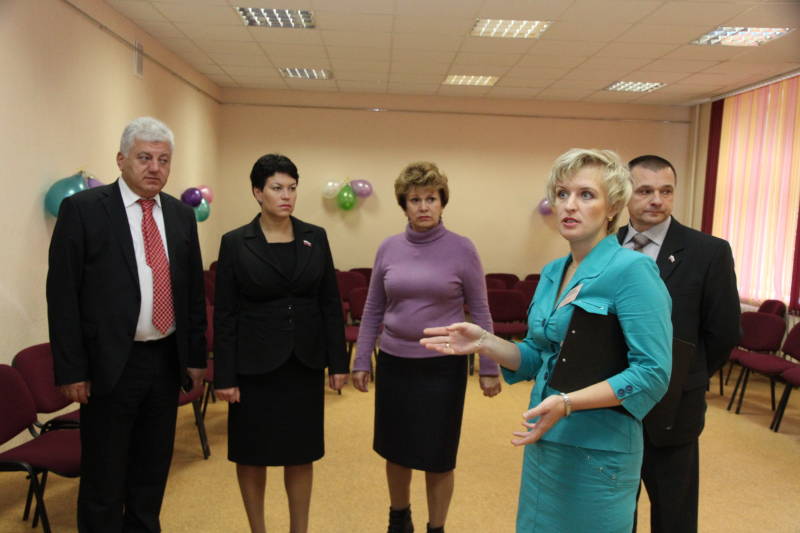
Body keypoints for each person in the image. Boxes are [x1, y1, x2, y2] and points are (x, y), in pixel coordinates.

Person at [421, 148, 673, 532]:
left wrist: (569, 403)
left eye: (586, 195)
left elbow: (652, 373)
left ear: (612, 207)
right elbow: (539, 356)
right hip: (544, 436)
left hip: (598, 449)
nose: (569, 205)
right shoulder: (554, 272)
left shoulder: (633, 270)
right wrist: (484, 342)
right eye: (562, 194)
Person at [46, 117, 207, 533]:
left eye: (163, 160)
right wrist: (71, 370)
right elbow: (62, 296)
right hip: (109, 366)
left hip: (164, 362)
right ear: (121, 160)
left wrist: (193, 357)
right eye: (144, 158)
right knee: (104, 477)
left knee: (151, 473)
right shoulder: (84, 210)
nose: (155, 168)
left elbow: (191, 294)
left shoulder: (180, 216)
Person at [351, 161, 501, 533]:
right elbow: (373, 308)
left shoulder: (462, 249)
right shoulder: (388, 248)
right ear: (404, 205)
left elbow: (480, 310)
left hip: (443, 367)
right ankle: (399, 518)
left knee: (438, 455)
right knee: (395, 449)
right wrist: (361, 359)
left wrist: (489, 366)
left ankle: (437, 527)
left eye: (431, 198)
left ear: (442, 202)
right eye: (415, 199)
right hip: (395, 363)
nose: (423, 206)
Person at [213, 154, 349, 533]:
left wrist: (338, 362)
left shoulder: (315, 237)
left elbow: (329, 304)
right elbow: (225, 314)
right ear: (258, 192)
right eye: (276, 188)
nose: (286, 195)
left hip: (303, 363)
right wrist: (225, 376)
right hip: (253, 366)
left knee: (301, 453)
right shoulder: (236, 242)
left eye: (291, 188)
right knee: (251, 455)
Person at [620, 155, 740, 533]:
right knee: (613, 511)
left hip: (674, 406)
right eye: (645, 190)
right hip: (610, 403)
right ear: (624, 193)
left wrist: (685, 375)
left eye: (666, 191)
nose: (657, 200)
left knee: (674, 513)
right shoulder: (604, 246)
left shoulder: (709, 252)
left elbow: (723, 332)